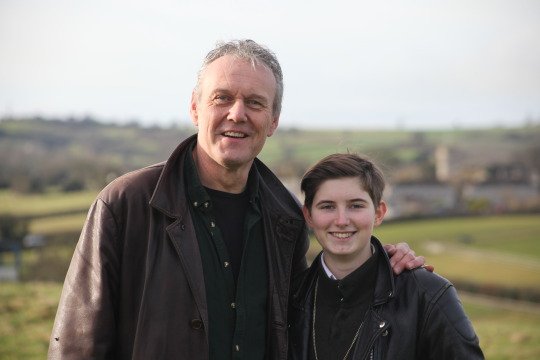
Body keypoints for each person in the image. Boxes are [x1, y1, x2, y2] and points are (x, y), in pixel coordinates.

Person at [48, 39, 426, 360]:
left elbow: (310, 319)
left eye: (255, 103)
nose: (237, 114)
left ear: (273, 120)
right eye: (222, 98)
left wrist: (383, 263)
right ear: (196, 108)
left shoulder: (287, 221)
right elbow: (78, 345)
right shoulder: (125, 204)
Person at [288, 153, 484, 360]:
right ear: (308, 216)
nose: (342, 220)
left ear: (379, 213)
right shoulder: (288, 298)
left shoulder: (428, 295)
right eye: (327, 206)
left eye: (356, 205)